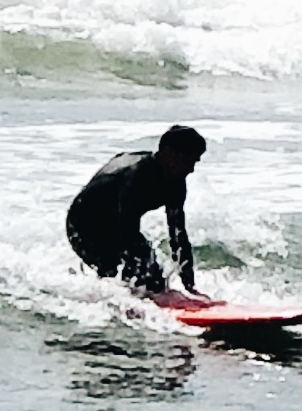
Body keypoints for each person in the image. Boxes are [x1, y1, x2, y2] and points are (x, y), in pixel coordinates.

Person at [66, 124, 206, 296]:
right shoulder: (137, 176)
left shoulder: (176, 181)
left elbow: (178, 237)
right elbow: (127, 231)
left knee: (151, 278)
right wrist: (139, 278)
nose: (191, 169)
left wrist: (190, 286)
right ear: (167, 152)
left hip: (114, 222)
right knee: (128, 275)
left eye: (195, 162)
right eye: (187, 161)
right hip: (83, 224)